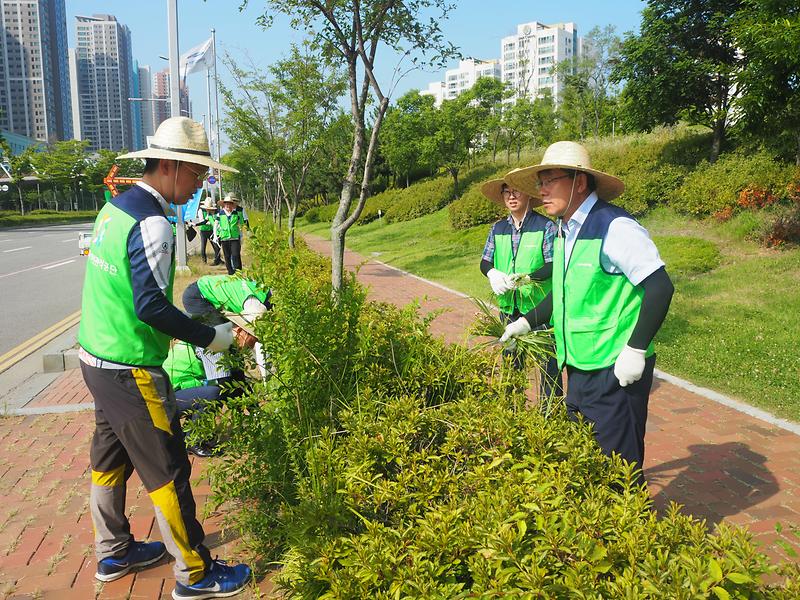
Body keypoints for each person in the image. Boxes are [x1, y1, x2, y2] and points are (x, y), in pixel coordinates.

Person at [77, 116, 252, 598]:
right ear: (173, 166)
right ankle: (195, 574)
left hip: (95, 356)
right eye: (198, 175)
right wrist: (214, 337)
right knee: (168, 470)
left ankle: (113, 551)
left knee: (108, 460)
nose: (200, 186)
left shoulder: (116, 208)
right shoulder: (153, 222)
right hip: (130, 367)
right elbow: (150, 306)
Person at [501, 141, 674, 484]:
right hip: (578, 366)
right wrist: (526, 321)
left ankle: (632, 534)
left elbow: (660, 287)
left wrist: (636, 349)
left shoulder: (614, 226)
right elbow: (565, 292)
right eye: (540, 182)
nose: (542, 190)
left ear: (579, 182)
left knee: (619, 474)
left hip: (614, 370)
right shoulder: (566, 229)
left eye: (550, 180)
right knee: (588, 465)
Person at [479, 171, 562, 398]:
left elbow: (553, 265)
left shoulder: (546, 227)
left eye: (516, 191)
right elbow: (485, 261)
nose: (511, 196)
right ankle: (512, 409)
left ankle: (550, 414)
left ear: (527, 195)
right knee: (511, 364)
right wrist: (492, 273)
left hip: (538, 309)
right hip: (509, 309)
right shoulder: (498, 229)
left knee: (548, 366)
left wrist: (527, 279)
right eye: (507, 192)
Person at [162, 340, 246, 457]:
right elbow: (226, 384)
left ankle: (189, 434)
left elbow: (239, 381)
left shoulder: (224, 343)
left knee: (212, 392)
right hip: (165, 400)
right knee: (214, 394)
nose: (253, 344)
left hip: (175, 393)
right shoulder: (214, 343)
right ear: (240, 332)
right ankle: (193, 440)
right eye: (254, 338)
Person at [183, 274, 271, 377]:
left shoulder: (263, 305)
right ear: (239, 330)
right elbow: (262, 350)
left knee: (230, 345)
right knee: (216, 342)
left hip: (220, 297)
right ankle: (221, 383)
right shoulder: (256, 310)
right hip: (198, 295)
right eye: (248, 346)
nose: (246, 349)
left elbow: (261, 344)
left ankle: (238, 382)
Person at [213, 193, 244, 275]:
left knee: (235, 254)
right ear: (224, 205)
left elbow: (240, 225)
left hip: (234, 238)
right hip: (224, 238)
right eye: (226, 204)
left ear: (232, 205)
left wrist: (241, 236)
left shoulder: (236, 214)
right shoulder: (220, 213)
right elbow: (216, 224)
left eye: (230, 204)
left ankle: (238, 273)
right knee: (227, 256)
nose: (228, 206)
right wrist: (215, 236)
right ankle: (230, 272)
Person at [196, 197, 222, 265]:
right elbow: (202, 221)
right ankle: (204, 261)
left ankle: (218, 259)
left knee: (215, 246)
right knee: (203, 246)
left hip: (211, 230)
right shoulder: (201, 211)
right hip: (204, 230)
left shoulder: (214, 212)